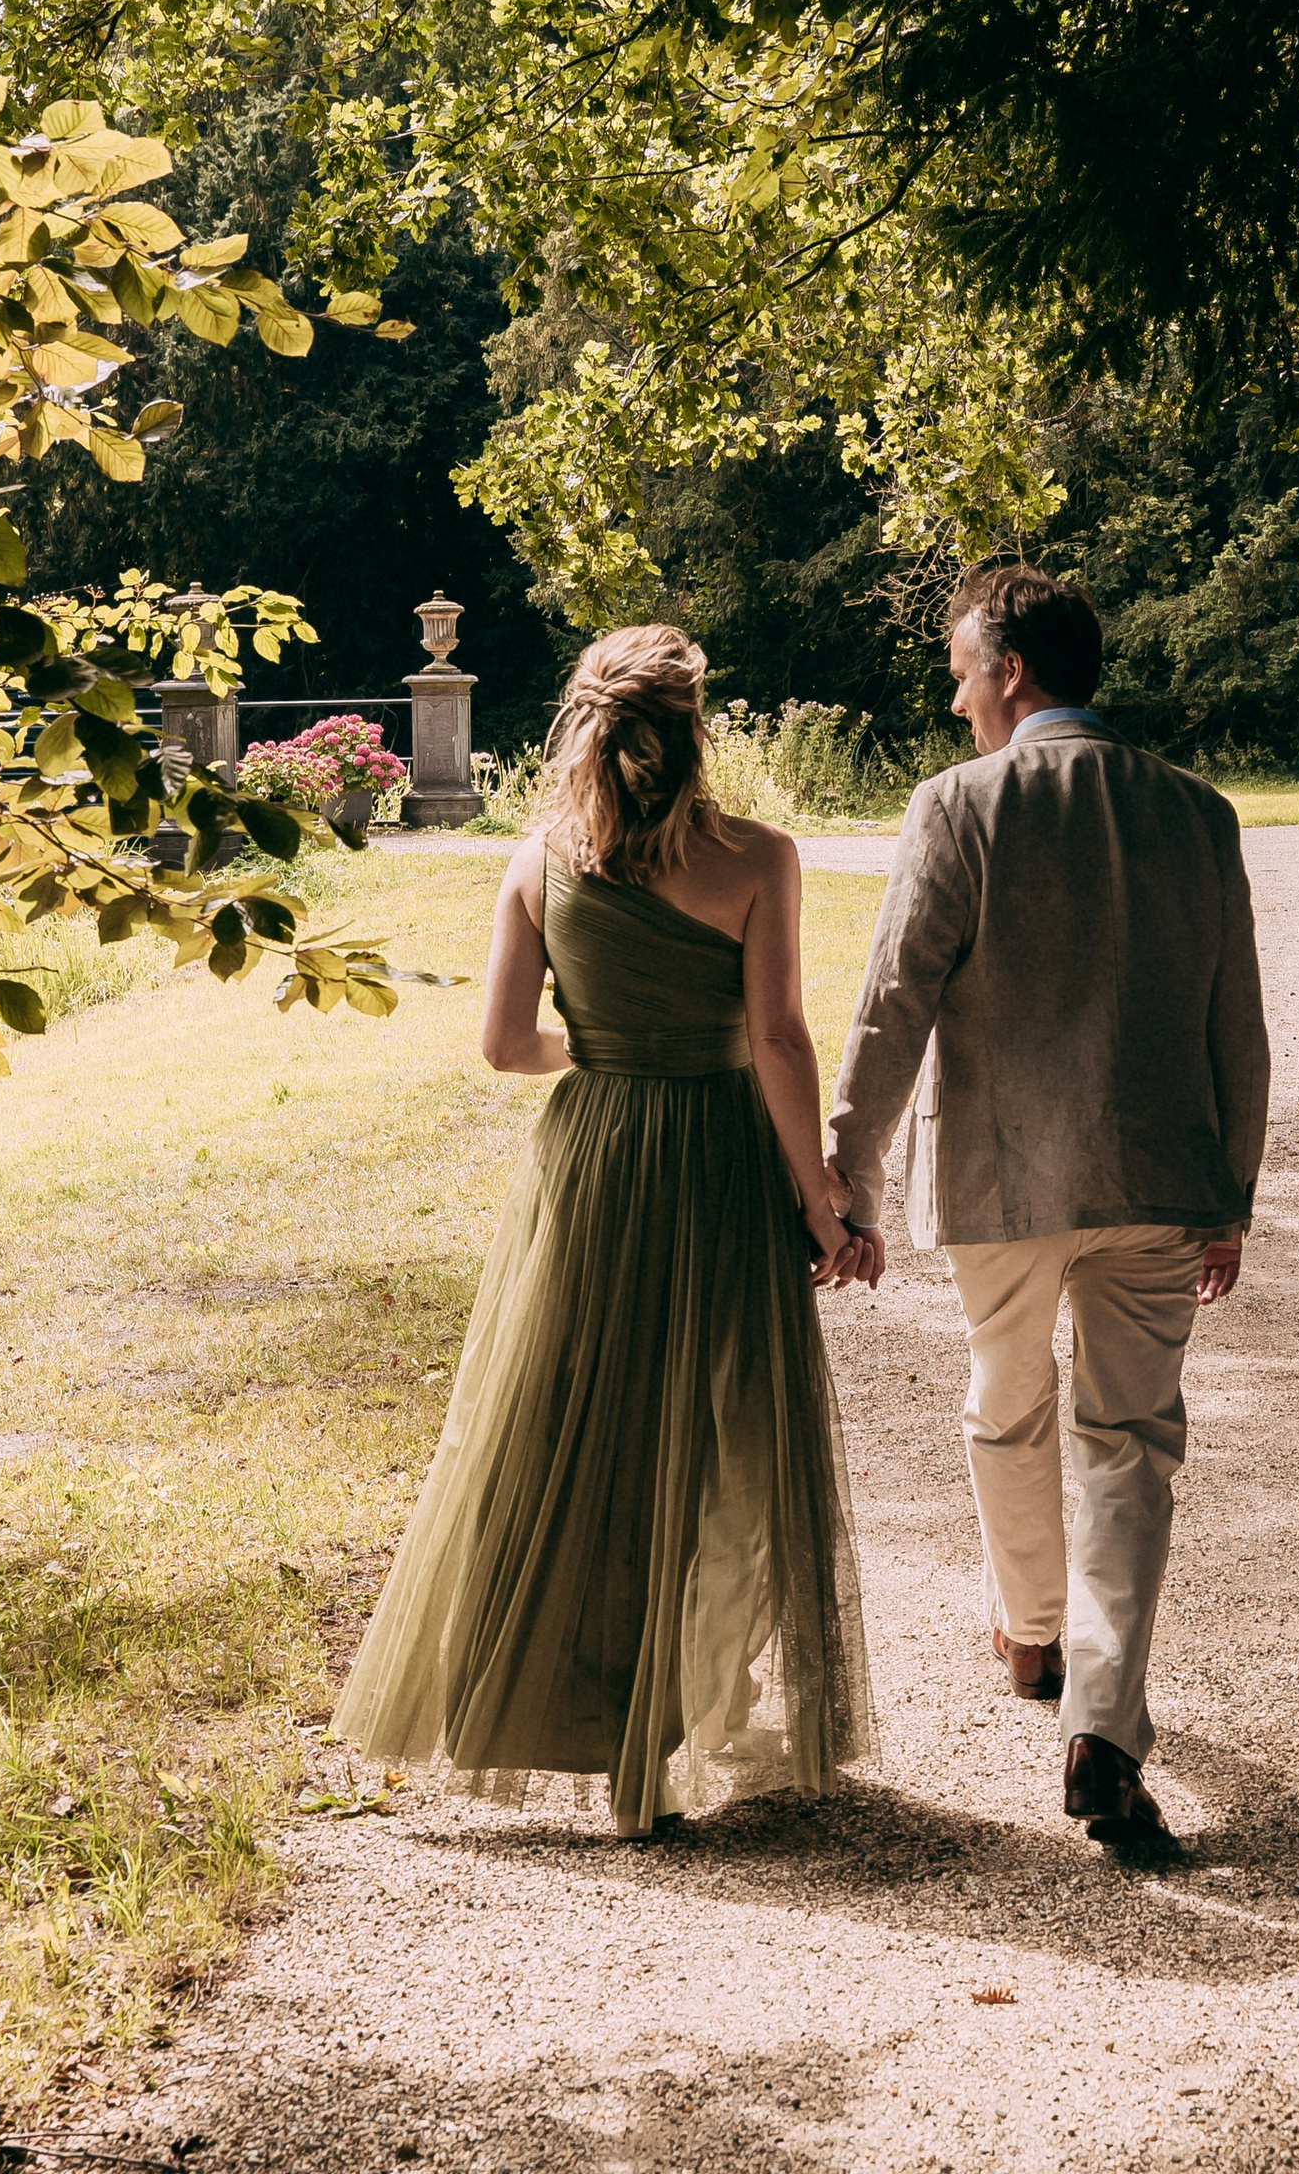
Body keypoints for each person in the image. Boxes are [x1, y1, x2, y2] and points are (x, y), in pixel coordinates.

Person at [334, 625, 873, 1839]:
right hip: (719, 1161)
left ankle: (572, 1716)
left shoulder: (535, 864)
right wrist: (822, 1200)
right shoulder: (758, 859)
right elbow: (780, 1041)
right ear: (696, 728)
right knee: (714, 1435)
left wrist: (618, 1051)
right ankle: (670, 1728)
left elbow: (505, 1046)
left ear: (583, 726)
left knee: (571, 1427)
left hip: (591, 1163)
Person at [826, 564, 1269, 1840]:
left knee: (1004, 1402)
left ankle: (1030, 1634)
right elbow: (1236, 1025)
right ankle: (1101, 1723)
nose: (958, 692)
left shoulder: (959, 806)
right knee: (1131, 1442)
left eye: (964, 669)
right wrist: (1227, 1192)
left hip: (1000, 1178)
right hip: (1155, 1178)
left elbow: (894, 998)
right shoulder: (1199, 813)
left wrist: (849, 1175)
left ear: (1011, 671)